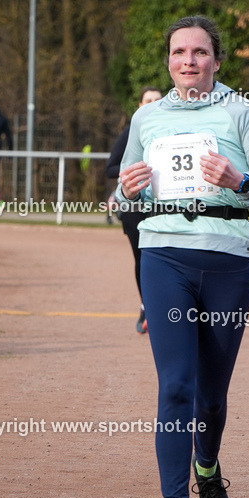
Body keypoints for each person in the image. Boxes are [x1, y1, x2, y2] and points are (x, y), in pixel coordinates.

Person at [117, 15, 249, 498]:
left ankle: (208, 469)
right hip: (163, 254)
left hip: (228, 261)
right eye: (178, 53)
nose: (188, 61)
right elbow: (125, 200)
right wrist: (127, 191)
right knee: (176, 388)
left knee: (211, 398)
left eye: (199, 52)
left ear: (216, 60)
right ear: (168, 61)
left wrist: (238, 181)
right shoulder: (148, 118)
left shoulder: (242, 112)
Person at [105, 86, 164, 333]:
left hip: (164, 206)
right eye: (148, 100)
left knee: (165, 257)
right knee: (143, 258)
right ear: (139, 106)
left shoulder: (170, 132)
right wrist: (132, 173)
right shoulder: (131, 132)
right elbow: (110, 168)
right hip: (134, 205)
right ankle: (146, 307)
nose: (152, 104)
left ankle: (167, 309)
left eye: (157, 101)